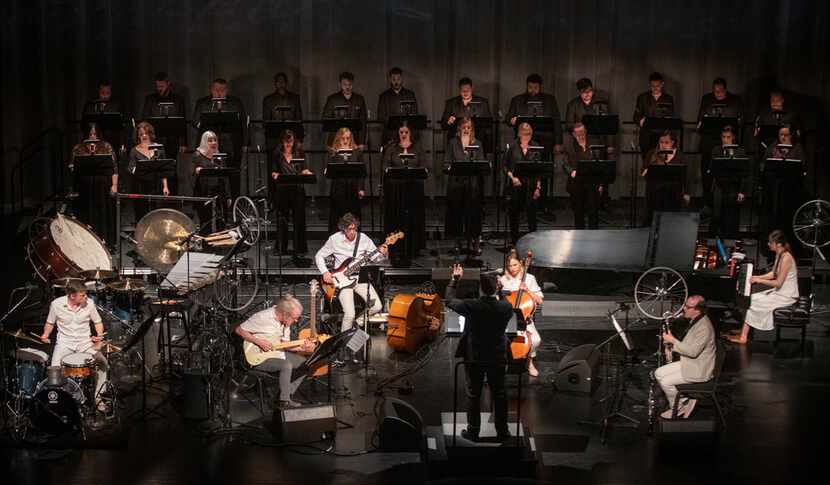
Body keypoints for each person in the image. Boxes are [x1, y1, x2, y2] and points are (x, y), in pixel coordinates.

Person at [445, 264, 514, 441]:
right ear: (497, 288)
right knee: (499, 394)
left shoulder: (472, 305)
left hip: (474, 356)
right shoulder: (505, 308)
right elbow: (503, 300)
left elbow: (449, 300)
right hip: (497, 356)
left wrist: (455, 279)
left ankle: (473, 431)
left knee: (474, 394)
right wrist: (500, 289)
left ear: (480, 289)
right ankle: (503, 432)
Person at [38, 282, 110, 413]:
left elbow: (97, 322)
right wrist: (45, 334)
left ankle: (98, 397)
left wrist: (99, 335)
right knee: (54, 370)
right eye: (82, 295)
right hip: (65, 343)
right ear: (72, 296)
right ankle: (59, 403)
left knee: (103, 364)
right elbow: (50, 323)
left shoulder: (89, 303)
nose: (86, 298)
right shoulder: (56, 304)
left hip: (85, 343)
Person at [234, 296, 316, 408]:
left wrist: (302, 348)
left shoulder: (286, 323)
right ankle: (284, 402)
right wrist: (259, 342)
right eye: (294, 318)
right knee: (286, 365)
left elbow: (285, 345)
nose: (296, 321)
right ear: (285, 314)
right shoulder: (263, 317)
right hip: (258, 356)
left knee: (306, 364)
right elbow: (239, 330)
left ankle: (284, 394)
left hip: (276, 353)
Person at [315, 213, 388, 336]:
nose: (353, 232)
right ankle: (343, 341)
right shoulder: (334, 239)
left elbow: (376, 258)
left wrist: (383, 253)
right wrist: (325, 272)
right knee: (349, 314)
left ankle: (358, 323)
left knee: (377, 306)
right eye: (350, 229)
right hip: (342, 281)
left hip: (360, 279)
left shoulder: (364, 238)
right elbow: (319, 255)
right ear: (343, 229)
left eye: (355, 229)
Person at [728, 230, 799, 344]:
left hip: (787, 296)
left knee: (751, 301)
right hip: (780, 292)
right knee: (750, 298)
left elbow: (778, 283)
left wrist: (759, 280)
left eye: (771, 242)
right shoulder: (780, 254)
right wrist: (757, 277)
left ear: (778, 244)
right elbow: (773, 274)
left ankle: (743, 337)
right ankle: (743, 331)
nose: (768, 244)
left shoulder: (786, 258)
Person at [656, 295, 716, 419]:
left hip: (699, 369)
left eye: (688, 307)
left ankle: (677, 408)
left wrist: (672, 340)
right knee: (658, 373)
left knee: (666, 382)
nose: (683, 308)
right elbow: (689, 345)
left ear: (697, 310)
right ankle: (685, 400)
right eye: (685, 305)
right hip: (690, 363)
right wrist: (671, 346)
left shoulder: (704, 327)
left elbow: (693, 352)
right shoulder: (696, 320)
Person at [382, 121, 427, 265]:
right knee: (397, 219)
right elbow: (385, 168)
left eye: (406, 132)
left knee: (412, 219)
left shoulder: (417, 147)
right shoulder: (391, 148)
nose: (403, 135)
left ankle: (413, 248)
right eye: (401, 132)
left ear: (410, 133)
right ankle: (396, 248)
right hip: (396, 190)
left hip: (413, 190)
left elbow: (424, 166)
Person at [193, 78, 246, 197]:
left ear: (226, 90)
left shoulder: (235, 102)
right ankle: (209, 205)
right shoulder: (202, 103)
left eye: (222, 90)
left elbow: (243, 124)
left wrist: (245, 143)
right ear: (211, 90)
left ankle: (234, 204)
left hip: (231, 145)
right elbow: (195, 122)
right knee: (210, 176)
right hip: (208, 146)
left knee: (232, 175)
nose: (219, 93)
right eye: (216, 90)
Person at [696, 78, 743, 213]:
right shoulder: (707, 99)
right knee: (707, 174)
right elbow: (699, 121)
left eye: (720, 91)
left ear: (725, 89)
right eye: (715, 91)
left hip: (727, 143)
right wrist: (701, 123)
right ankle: (707, 204)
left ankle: (726, 205)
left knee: (726, 174)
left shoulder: (735, 100)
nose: (717, 94)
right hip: (709, 144)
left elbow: (740, 122)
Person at [70, 123, 118, 245]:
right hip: (85, 187)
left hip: (102, 186)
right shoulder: (78, 148)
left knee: (102, 212)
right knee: (86, 213)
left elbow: (114, 168)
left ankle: (105, 241)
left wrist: (114, 185)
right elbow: (72, 168)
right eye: (90, 133)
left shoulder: (106, 146)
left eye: (95, 133)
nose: (92, 136)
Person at [499, 252, 544, 377]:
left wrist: (527, 290)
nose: (512, 268)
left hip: (524, 320)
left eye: (515, 265)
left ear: (521, 264)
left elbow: (539, 300)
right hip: (506, 320)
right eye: (509, 266)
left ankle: (529, 363)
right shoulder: (503, 280)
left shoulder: (529, 278)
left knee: (535, 340)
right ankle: (502, 363)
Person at [445, 117, 485, 256]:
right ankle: (457, 242)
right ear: (459, 129)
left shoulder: (478, 143)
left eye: (469, 127)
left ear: (472, 129)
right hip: (456, 185)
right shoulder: (452, 143)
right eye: (464, 127)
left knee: (473, 215)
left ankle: (473, 242)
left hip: (472, 186)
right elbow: (446, 163)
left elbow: (481, 162)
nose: (466, 130)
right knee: (457, 214)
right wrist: (451, 167)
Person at [270, 129, 311, 258]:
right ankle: (281, 247)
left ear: (294, 141)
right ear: (282, 141)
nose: (288, 144)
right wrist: (275, 174)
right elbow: (273, 171)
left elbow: (304, 168)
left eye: (291, 141)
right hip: (282, 190)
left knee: (299, 219)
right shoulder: (277, 153)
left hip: (297, 189)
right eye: (286, 142)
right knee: (282, 219)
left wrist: (306, 172)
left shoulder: (299, 152)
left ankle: (300, 248)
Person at [761, 124, 806, 238]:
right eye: (781, 134)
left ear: (791, 135)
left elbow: (802, 165)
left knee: (788, 215)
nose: (783, 137)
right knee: (773, 215)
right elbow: (763, 164)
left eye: (786, 135)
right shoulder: (773, 147)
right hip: (774, 187)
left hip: (791, 187)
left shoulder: (797, 147)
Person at [563, 122, 611, 229]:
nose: (580, 135)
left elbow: (601, 165)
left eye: (582, 132)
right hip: (576, 184)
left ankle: (593, 237)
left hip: (592, 183)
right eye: (577, 133)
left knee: (593, 212)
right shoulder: (569, 146)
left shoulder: (595, 144)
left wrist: (601, 184)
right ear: (573, 134)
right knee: (578, 213)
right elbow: (565, 164)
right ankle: (579, 237)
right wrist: (572, 171)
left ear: (586, 131)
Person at [504, 122, 545, 243]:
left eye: (528, 134)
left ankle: (533, 241)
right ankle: (514, 240)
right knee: (514, 214)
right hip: (516, 185)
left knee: (532, 214)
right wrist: (513, 178)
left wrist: (538, 187)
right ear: (519, 134)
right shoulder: (512, 147)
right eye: (524, 134)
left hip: (530, 185)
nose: (526, 137)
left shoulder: (535, 146)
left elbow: (539, 169)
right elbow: (505, 166)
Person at [506, 73, 562, 155]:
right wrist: (511, 120)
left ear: (540, 87)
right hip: (523, 139)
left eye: (535, 88)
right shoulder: (517, 100)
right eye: (530, 87)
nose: (532, 90)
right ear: (526, 86)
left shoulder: (550, 100)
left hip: (546, 139)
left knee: (545, 163)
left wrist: (558, 143)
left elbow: (557, 122)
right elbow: (508, 118)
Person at [641, 130, 690, 226]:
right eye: (661, 142)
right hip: (655, 192)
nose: (663, 145)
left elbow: (685, 177)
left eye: (666, 142)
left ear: (673, 142)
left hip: (673, 193)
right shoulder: (652, 153)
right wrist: (647, 171)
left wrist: (686, 193)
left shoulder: (680, 156)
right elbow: (643, 172)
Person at [709, 125, 749, 238]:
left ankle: (731, 240)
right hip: (719, 185)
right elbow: (712, 170)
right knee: (717, 215)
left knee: (732, 215)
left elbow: (745, 174)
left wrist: (742, 191)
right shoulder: (716, 150)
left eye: (728, 137)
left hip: (734, 186)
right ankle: (716, 239)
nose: (725, 139)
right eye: (723, 137)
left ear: (733, 138)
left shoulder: (740, 152)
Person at [128, 121, 170, 225]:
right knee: (142, 213)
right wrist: (137, 171)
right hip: (140, 186)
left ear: (150, 134)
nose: (144, 136)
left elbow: (163, 169)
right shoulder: (134, 150)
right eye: (141, 134)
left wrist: (165, 186)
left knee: (157, 213)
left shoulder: (159, 148)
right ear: (138, 136)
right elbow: (131, 167)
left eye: (146, 133)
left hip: (156, 185)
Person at [326, 127, 365, 233]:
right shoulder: (334, 153)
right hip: (338, 188)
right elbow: (329, 171)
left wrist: (361, 188)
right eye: (343, 138)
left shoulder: (357, 152)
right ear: (339, 138)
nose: (345, 140)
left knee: (353, 215)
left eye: (348, 138)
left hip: (353, 188)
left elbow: (362, 173)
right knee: (338, 215)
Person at [141, 71, 188, 157]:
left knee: (172, 165)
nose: (159, 89)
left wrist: (183, 143)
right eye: (157, 86)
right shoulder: (150, 99)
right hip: (155, 140)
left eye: (162, 86)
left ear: (168, 84)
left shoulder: (178, 100)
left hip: (173, 140)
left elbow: (182, 123)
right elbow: (145, 120)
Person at [191, 130, 231, 228]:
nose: (213, 143)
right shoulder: (197, 155)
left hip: (219, 195)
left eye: (215, 140)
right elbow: (191, 174)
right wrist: (196, 171)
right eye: (210, 140)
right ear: (204, 141)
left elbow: (225, 178)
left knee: (220, 224)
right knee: (206, 224)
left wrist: (228, 196)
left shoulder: (219, 157)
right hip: (203, 194)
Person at [633, 72, 676, 160]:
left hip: (662, 137)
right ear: (650, 84)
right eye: (653, 86)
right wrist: (640, 121)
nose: (655, 88)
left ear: (662, 84)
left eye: (658, 86)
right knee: (646, 162)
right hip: (646, 136)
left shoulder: (668, 98)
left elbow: (671, 117)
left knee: (660, 162)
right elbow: (636, 116)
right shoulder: (642, 97)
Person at [441, 77, 492, 147]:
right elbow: (443, 125)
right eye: (463, 90)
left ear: (472, 88)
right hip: (456, 143)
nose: (465, 92)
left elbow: (488, 124)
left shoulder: (482, 102)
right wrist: (448, 121)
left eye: (467, 90)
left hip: (477, 141)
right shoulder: (451, 103)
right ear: (459, 89)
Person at [322, 72, 368, 145]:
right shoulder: (332, 99)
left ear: (353, 84)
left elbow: (363, 122)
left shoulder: (359, 99)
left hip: (354, 140)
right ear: (339, 84)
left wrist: (362, 142)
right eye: (344, 84)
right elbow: (325, 119)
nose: (347, 87)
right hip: (336, 141)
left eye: (349, 84)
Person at [377, 67, 419, 145]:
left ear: (402, 79)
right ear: (390, 79)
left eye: (398, 79)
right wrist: (395, 123)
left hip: (407, 134)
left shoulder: (410, 94)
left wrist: (404, 127)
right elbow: (381, 116)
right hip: (390, 135)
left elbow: (414, 115)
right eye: (393, 79)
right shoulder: (384, 96)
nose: (396, 82)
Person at [83, 80, 124, 150]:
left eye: (108, 93)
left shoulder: (116, 105)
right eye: (102, 93)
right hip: (94, 141)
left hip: (111, 141)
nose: (105, 96)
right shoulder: (91, 105)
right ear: (98, 92)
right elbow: (84, 124)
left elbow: (120, 125)